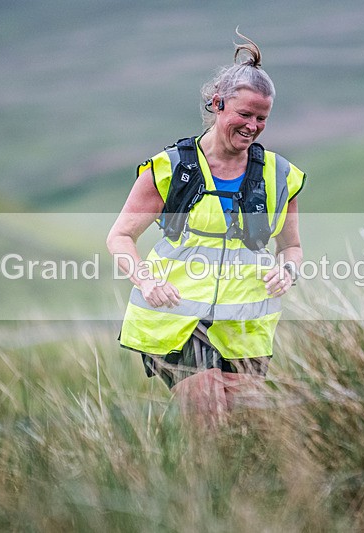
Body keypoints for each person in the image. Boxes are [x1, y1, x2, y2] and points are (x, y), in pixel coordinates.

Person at [106, 30, 306, 424]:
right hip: (176, 318)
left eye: (262, 118)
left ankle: (203, 482)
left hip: (245, 325)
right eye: (244, 114)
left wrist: (287, 270)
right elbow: (120, 237)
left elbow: (293, 248)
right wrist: (146, 281)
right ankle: (191, 485)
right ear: (217, 104)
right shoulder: (171, 169)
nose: (253, 126)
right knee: (207, 412)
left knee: (246, 429)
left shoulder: (281, 176)